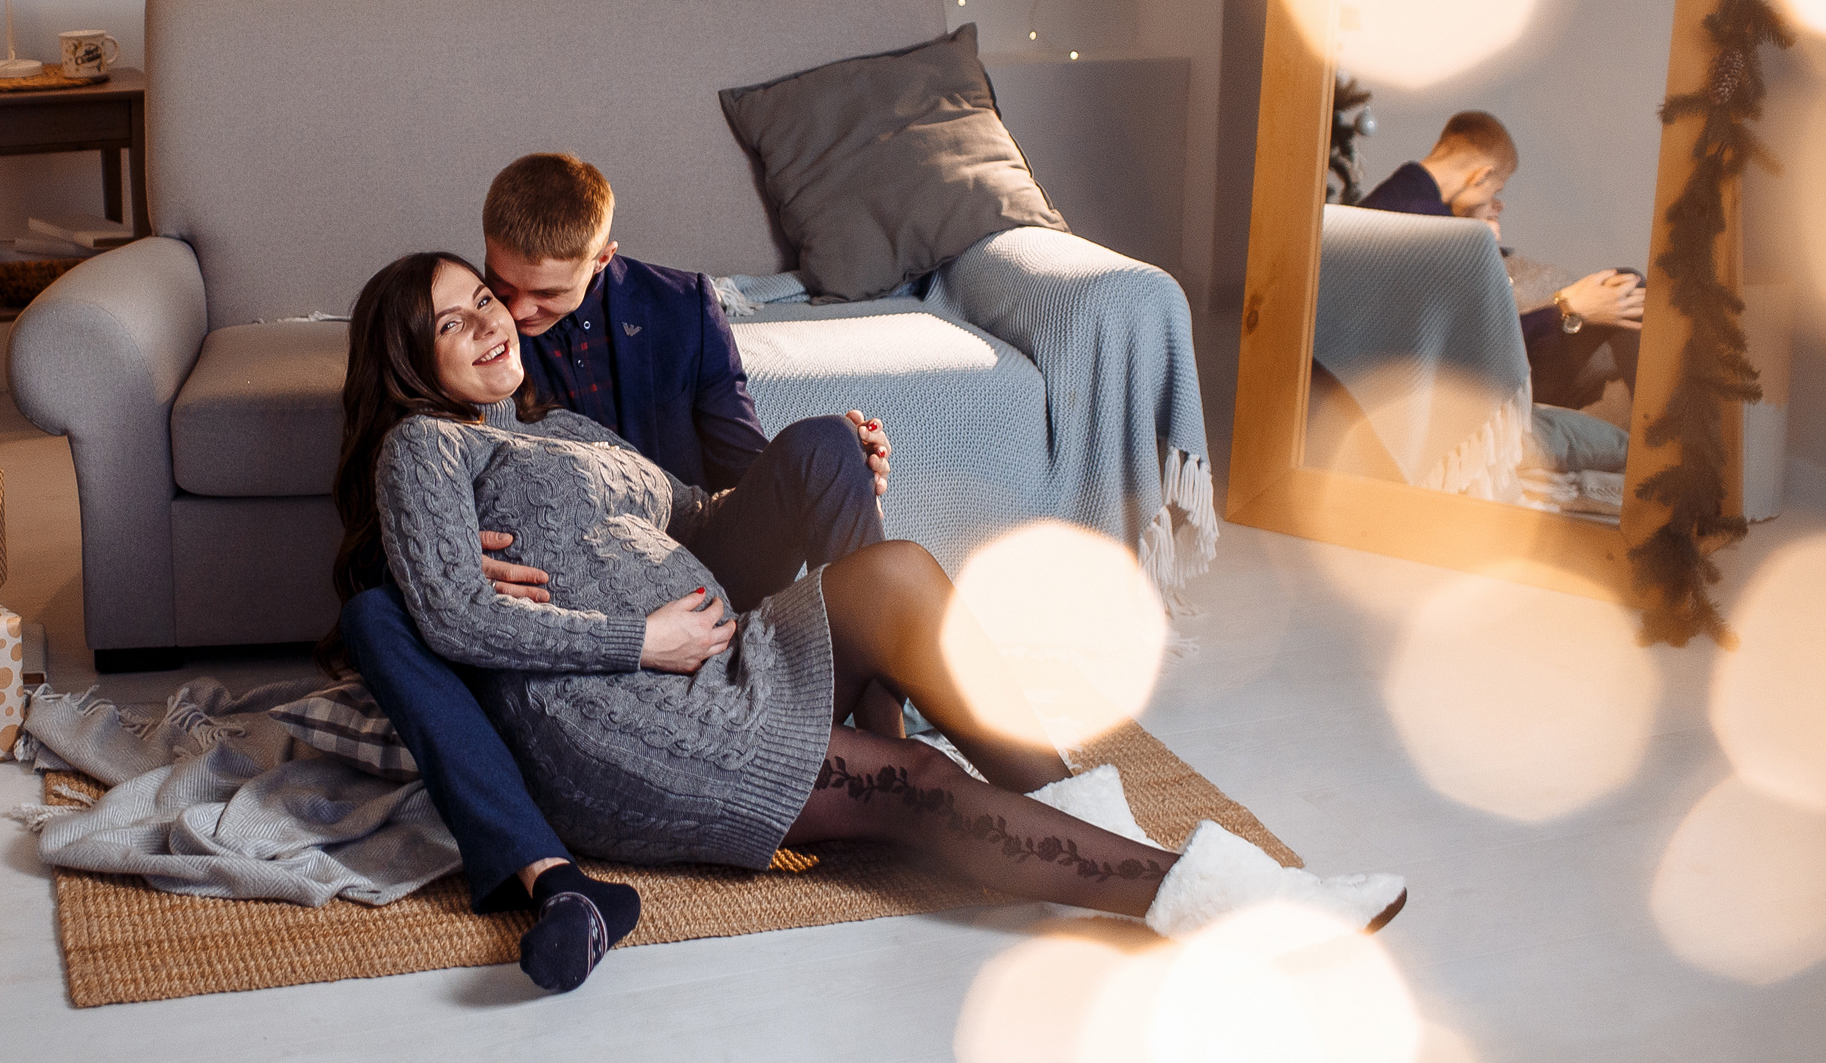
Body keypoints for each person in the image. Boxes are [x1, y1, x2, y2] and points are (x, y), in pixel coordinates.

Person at [336, 251, 1408, 991]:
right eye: (450, 321)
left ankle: (1079, 809)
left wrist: (834, 470)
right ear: (410, 360)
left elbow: (697, 518)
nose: (487, 320)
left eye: (484, 298)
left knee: (894, 570)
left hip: (723, 656)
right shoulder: (425, 447)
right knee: (915, 782)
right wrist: (639, 639)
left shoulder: (567, 427)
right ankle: (1233, 903)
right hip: (627, 712)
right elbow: (454, 614)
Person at [335, 154, 897, 992]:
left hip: (684, 556)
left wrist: (840, 469)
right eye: (497, 285)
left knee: (831, 445)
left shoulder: (683, 309)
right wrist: (447, 552)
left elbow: (739, 476)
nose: (515, 314)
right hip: (561, 610)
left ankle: (887, 740)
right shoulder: (476, 369)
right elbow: (420, 442)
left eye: (538, 296)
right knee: (380, 610)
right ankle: (551, 877)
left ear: (601, 261)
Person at [1358, 111, 1642, 410]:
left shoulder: (1376, 206)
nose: (1495, 203)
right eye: (1495, 190)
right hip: (1464, 388)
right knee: (1626, 282)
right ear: (1480, 176)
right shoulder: (1444, 236)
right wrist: (1569, 309)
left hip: (1404, 377)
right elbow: (1480, 347)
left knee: (1617, 290)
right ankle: (1659, 427)